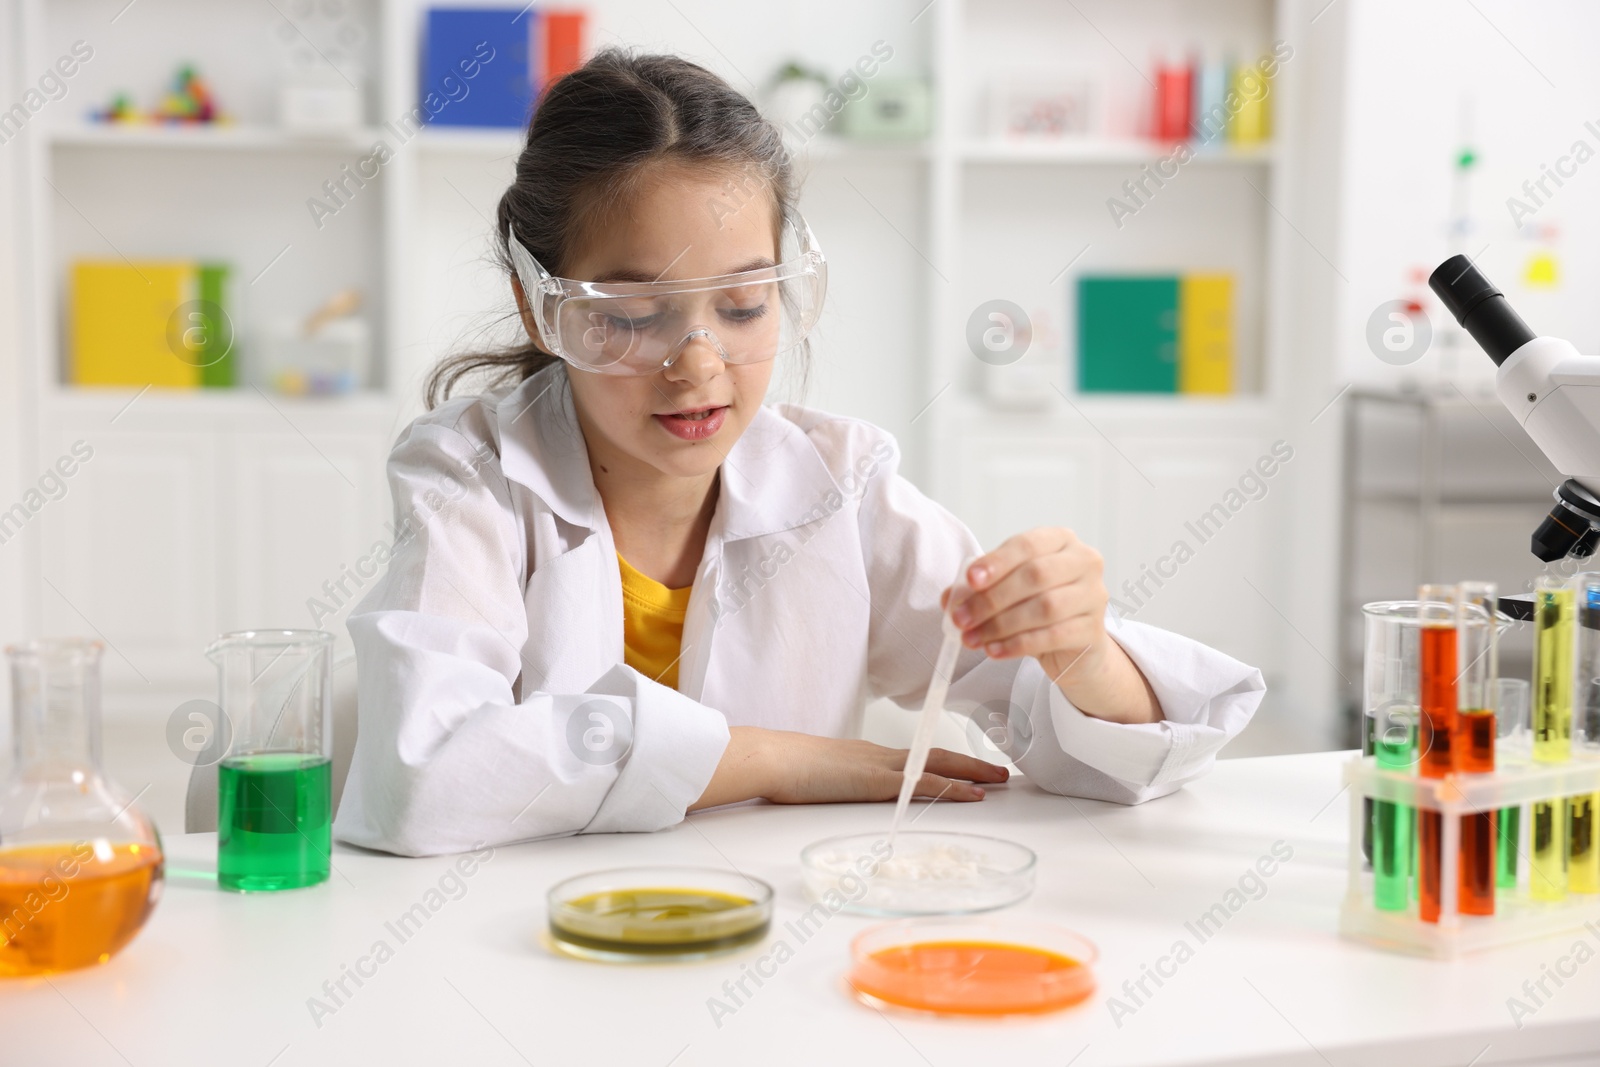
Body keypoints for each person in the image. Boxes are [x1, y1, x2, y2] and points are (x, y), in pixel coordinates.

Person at [333, 49, 1265, 857]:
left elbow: (1104, 752)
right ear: (544, 305)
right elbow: (425, 779)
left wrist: (1079, 651)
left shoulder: (839, 486)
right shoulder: (472, 474)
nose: (698, 364)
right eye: (631, 315)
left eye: (742, 306)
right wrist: (777, 757)